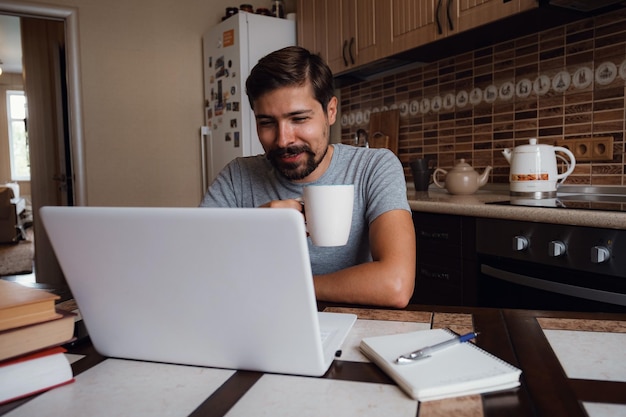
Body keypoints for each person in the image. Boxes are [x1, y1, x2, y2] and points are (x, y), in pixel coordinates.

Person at [200, 46, 415, 308]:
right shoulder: (238, 176)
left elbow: (396, 285)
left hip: (352, 328)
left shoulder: (374, 167)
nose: (283, 139)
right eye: (266, 122)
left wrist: (290, 287)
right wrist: (251, 230)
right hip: (263, 325)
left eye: (299, 119)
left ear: (331, 111)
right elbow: (194, 268)